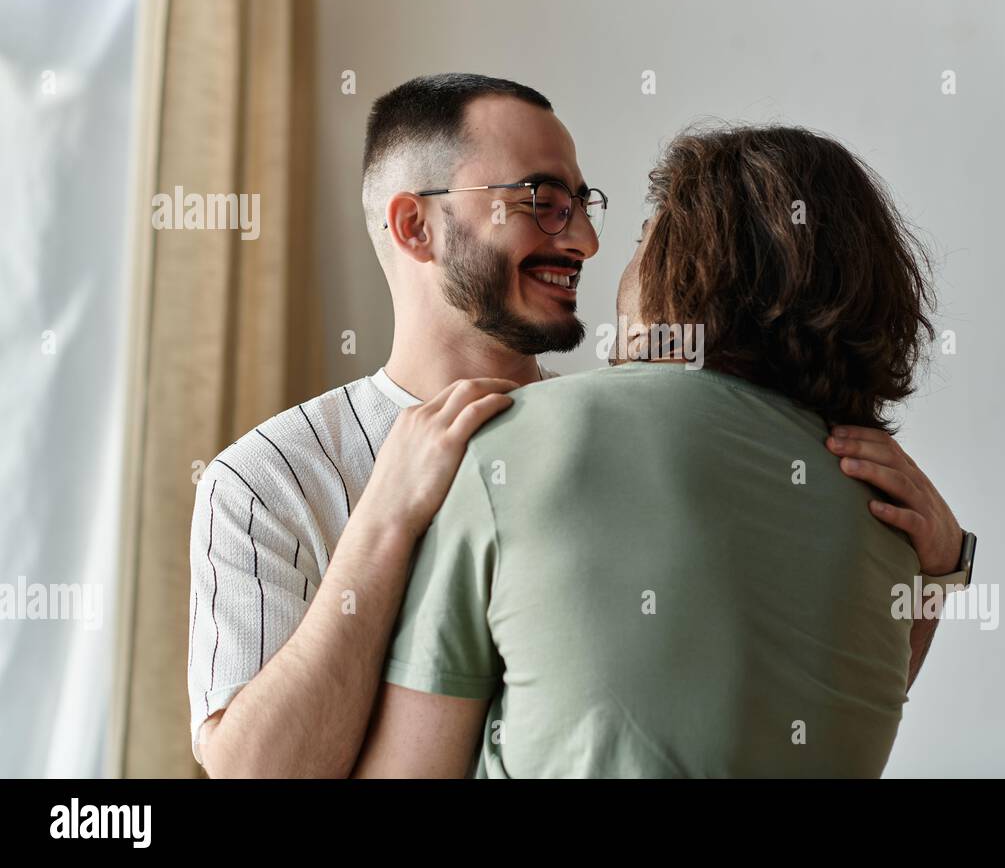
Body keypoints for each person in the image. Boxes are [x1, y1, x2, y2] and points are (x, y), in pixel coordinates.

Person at [186, 75, 963, 777]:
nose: (585, 242)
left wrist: (935, 574)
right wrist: (384, 520)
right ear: (415, 226)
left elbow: (781, 685)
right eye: (539, 202)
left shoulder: (614, 446)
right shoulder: (265, 482)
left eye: (584, 208)